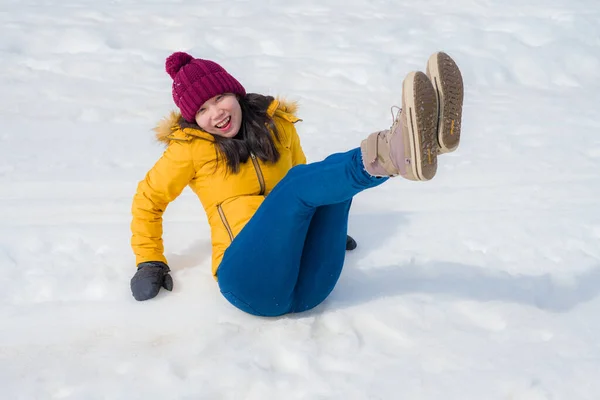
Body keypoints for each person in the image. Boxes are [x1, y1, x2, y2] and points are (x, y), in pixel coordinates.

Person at [129, 51, 464, 316]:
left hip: (310, 288)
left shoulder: (277, 127)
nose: (215, 113)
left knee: (322, 178)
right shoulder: (188, 150)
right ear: (194, 120)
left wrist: (325, 224)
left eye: (219, 99)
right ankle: (394, 150)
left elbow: (309, 181)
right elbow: (149, 199)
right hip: (250, 283)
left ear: (235, 91)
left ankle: (421, 143)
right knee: (296, 185)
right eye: (202, 110)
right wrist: (150, 261)